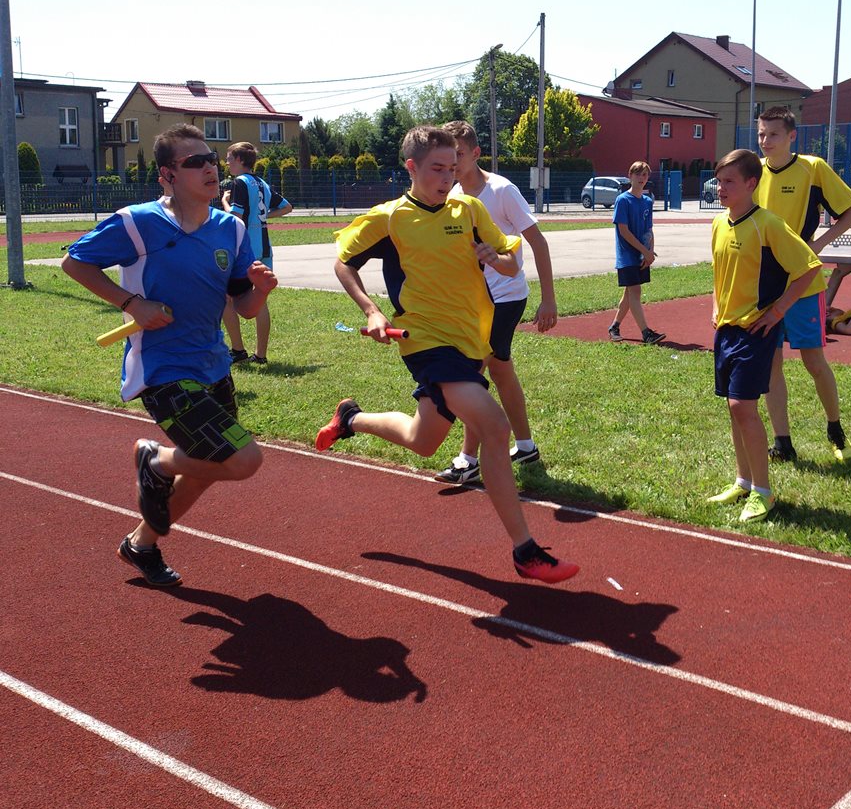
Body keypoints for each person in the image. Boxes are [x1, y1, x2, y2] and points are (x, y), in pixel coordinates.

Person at [314, 125, 578, 584]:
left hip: (471, 340)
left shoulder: (470, 209)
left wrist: (493, 257)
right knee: (494, 426)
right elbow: (343, 263)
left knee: (424, 440)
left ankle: (350, 418)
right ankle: (525, 551)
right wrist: (372, 310)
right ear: (412, 167)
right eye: (437, 168)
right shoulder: (389, 218)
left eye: (452, 168)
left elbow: (511, 262)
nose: (447, 177)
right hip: (425, 339)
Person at [61, 123, 278, 587]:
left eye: (212, 159)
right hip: (162, 368)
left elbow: (243, 306)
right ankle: (157, 460)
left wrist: (260, 291)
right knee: (242, 460)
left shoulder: (231, 228)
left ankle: (141, 544)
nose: (210, 168)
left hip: (213, 364)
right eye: (195, 162)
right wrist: (131, 303)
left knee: (208, 466)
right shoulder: (137, 222)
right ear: (167, 175)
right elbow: (74, 262)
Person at [433, 120, 558, 485]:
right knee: (501, 372)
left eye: (458, 154)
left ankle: (468, 459)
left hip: (505, 298)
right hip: (474, 299)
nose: (453, 162)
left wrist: (549, 300)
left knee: (472, 374)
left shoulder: (502, 190)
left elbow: (539, 243)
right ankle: (526, 446)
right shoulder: (453, 195)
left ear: (475, 153)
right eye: (448, 155)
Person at [706, 149, 824, 523]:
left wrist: (778, 311)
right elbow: (719, 272)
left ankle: (763, 492)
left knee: (743, 406)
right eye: (719, 181)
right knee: (733, 407)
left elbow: (809, 267)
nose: (721, 188)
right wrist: (715, 307)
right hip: (726, 330)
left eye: (729, 181)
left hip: (756, 330)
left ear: (751, 184)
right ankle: (743, 481)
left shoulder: (768, 224)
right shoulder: (718, 224)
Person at [754, 106, 851, 463]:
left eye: (773, 134)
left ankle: (835, 429)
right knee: (771, 364)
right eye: (761, 134)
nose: (765, 140)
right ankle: (782, 443)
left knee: (813, 361)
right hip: (765, 286)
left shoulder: (812, 168)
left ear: (792, 136)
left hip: (804, 283)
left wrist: (818, 245)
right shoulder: (752, 172)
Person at [220, 142, 292, 364]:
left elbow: (235, 218)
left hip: (245, 249)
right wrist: (261, 217)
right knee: (260, 299)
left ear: (240, 160)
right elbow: (287, 207)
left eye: (229, 159)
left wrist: (224, 201)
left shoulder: (239, 183)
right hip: (264, 247)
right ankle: (260, 355)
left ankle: (238, 350)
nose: (227, 163)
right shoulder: (262, 183)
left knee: (227, 298)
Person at [608, 161, 666, 344]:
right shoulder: (623, 200)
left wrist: (650, 251)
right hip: (627, 256)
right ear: (630, 176)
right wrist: (644, 250)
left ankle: (614, 326)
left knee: (629, 293)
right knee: (635, 291)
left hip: (642, 256)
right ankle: (646, 333)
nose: (641, 178)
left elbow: (649, 230)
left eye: (645, 174)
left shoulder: (647, 202)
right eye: (638, 174)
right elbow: (624, 231)